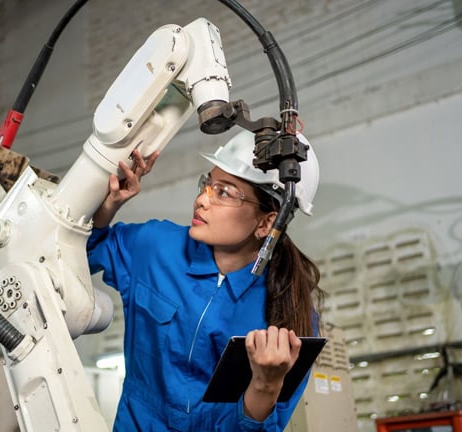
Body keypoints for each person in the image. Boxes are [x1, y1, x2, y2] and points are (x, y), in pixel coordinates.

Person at [87, 129, 324, 431]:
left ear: (266, 223)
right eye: (207, 184)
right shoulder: (155, 247)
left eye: (224, 193)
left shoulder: (286, 316)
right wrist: (108, 204)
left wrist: (266, 386)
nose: (201, 200)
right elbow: (77, 252)